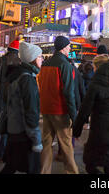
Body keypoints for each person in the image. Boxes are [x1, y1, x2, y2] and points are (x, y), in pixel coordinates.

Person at [73, 55, 109, 174]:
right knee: (107, 165)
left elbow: (84, 111)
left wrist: (76, 131)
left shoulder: (96, 84)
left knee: (90, 165)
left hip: (101, 133)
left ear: (97, 67)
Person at [0, 42, 43, 174]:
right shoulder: (27, 79)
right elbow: (30, 110)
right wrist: (36, 138)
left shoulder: (16, 74)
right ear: (33, 59)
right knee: (33, 168)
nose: (42, 59)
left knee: (10, 166)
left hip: (14, 128)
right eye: (40, 57)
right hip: (24, 132)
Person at [38, 36, 79, 174]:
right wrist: (74, 115)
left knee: (46, 144)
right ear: (63, 47)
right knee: (66, 145)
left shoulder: (45, 64)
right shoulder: (65, 65)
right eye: (68, 46)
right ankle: (72, 172)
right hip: (60, 110)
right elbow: (68, 92)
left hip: (46, 109)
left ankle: (44, 171)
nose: (69, 48)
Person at [0, 40, 21, 159]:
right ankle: (3, 152)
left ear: (8, 49)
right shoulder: (20, 64)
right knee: (8, 124)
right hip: (12, 99)